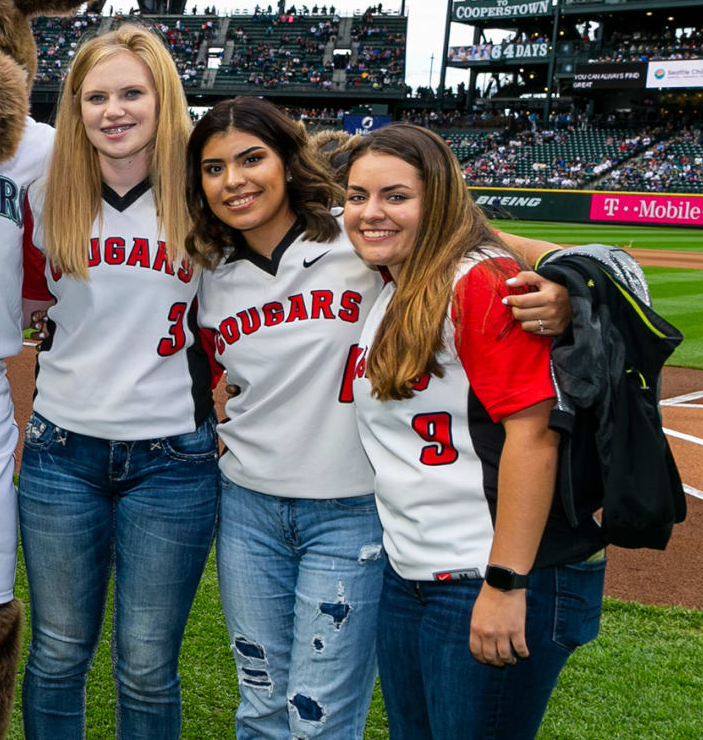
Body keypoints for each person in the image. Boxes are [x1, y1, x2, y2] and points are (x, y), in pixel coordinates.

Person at [183, 102, 569, 740]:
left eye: (252, 159)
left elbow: (480, 242)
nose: (235, 180)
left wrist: (563, 281)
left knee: (320, 717)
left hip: (352, 511)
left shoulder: (356, 234)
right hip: (249, 507)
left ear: (288, 163)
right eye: (214, 167)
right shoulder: (207, 272)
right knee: (259, 706)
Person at [335, 124, 605, 739]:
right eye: (357, 196)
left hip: (491, 573)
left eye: (396, 196)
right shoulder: (398, 283)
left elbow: (534, 438)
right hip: (415, 572)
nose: (371, 212)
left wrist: (506, 584)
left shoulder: (477, 281)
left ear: (439, 201)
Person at [16, 25, 215, 740]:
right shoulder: (46, 193)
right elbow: (25, 304)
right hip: (61, 450)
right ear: (75, 109)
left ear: (163, 98)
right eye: (96, 96)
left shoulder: (207, 194)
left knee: (146, 663)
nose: (114, 109)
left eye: (132, 92)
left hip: (174, 459)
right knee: (59, 651)